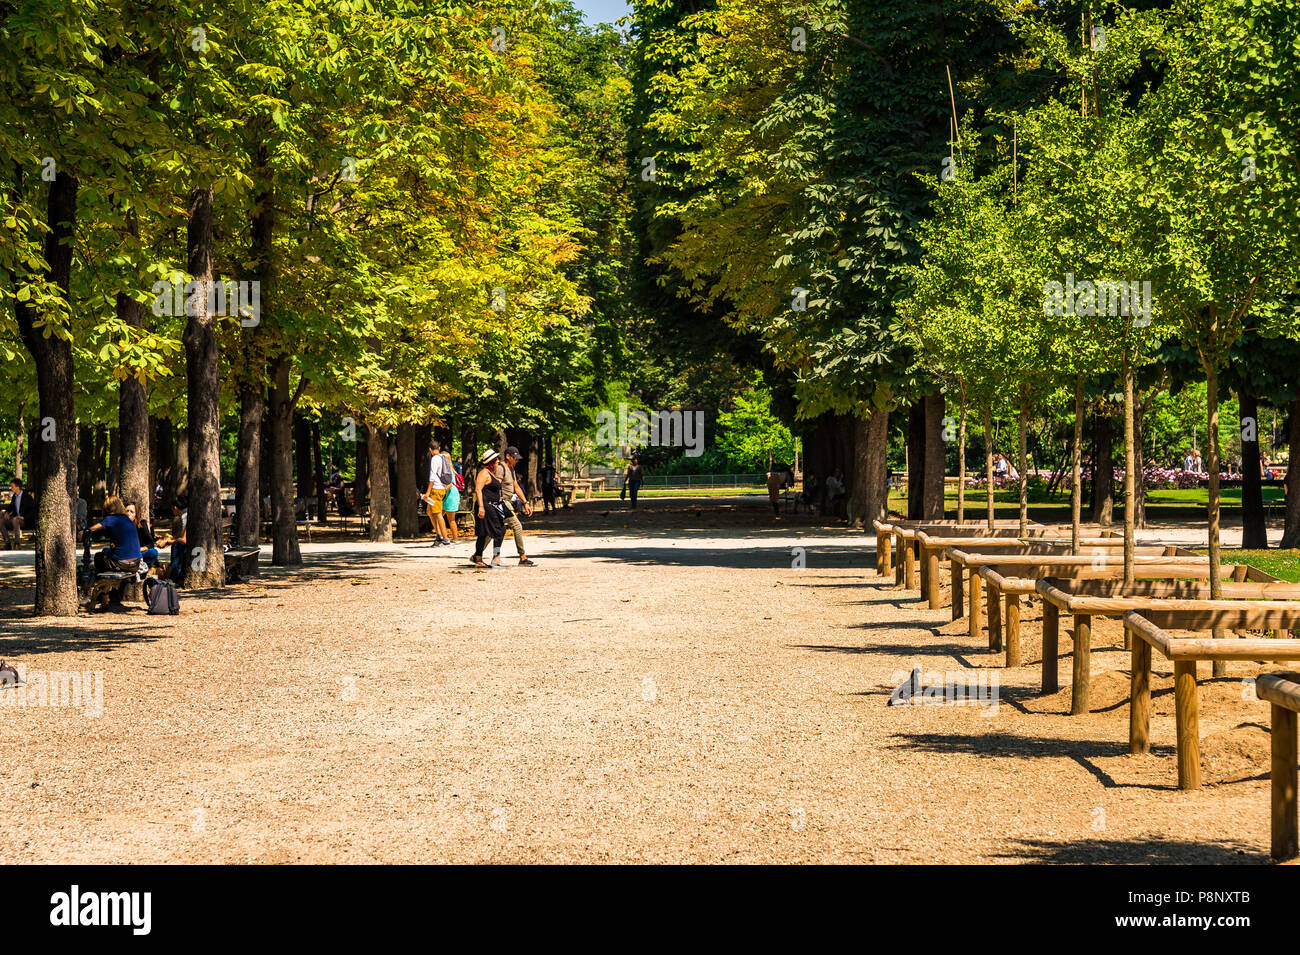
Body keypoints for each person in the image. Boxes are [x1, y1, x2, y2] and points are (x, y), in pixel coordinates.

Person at [88, 496, 141, 608]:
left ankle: (104, 596)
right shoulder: (127, 519)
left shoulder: (112, 518)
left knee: (98, 557)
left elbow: (93, 529)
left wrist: (84, 532)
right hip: (136, 563)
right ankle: (107, 594)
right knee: (106, 551)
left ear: (108, 509)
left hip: (122, 563)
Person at [493, 446, 536, 566]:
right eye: (515, 458)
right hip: (502, 503)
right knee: (517, 526)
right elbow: (496, 486)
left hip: (506, 503)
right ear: (508, 456)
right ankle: (522, 557)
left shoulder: (511, 469)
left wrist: (525, 503)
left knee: (496, 531)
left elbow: (516, 487)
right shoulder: (501, 469)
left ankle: (479, 555)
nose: (516, 460)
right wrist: (498, 502)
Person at [472, 449, 507, 570]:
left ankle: (478, 557)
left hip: (493, 505)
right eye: (496, 460)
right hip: (486, 505)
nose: (498, 462)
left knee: (484, 532)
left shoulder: (491, 473)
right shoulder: (484, 473)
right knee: (499, 530)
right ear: (492, 462)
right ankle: (495, 557)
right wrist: (481, 506)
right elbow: (478, 489)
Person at [424, 438, 455, 546]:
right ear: (439, 448)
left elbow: (432, 477)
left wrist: (427, 492)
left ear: (430, 449)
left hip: (435, 490)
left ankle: (445, 539)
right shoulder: (443, 457)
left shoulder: (435, 459)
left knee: (437, 514)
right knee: (430, 511)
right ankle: (439, 535)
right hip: (441, 488)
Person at [0, 478, 35, 549]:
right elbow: (11, 506)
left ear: (17, 487)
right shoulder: (14, 497)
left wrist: (24, 517)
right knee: (1, 521)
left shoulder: (27, 497)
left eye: (12, 486)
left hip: (25, 521)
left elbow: (33, 510)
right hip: (15, 520)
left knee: (15, 519)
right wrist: (7, 512)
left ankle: (17, 544)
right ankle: (7, 543)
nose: (11, 488)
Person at [125, 501, 159, 567]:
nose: (128, 513)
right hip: (124, 555)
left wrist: (139, 549)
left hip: (138, 554)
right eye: (127, 511)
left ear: (136, 514)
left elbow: (150, 544)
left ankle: (142, 567)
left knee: (153, 552)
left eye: (131, 512)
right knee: (105, 551)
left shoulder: (141, 524)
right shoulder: (119, 525)